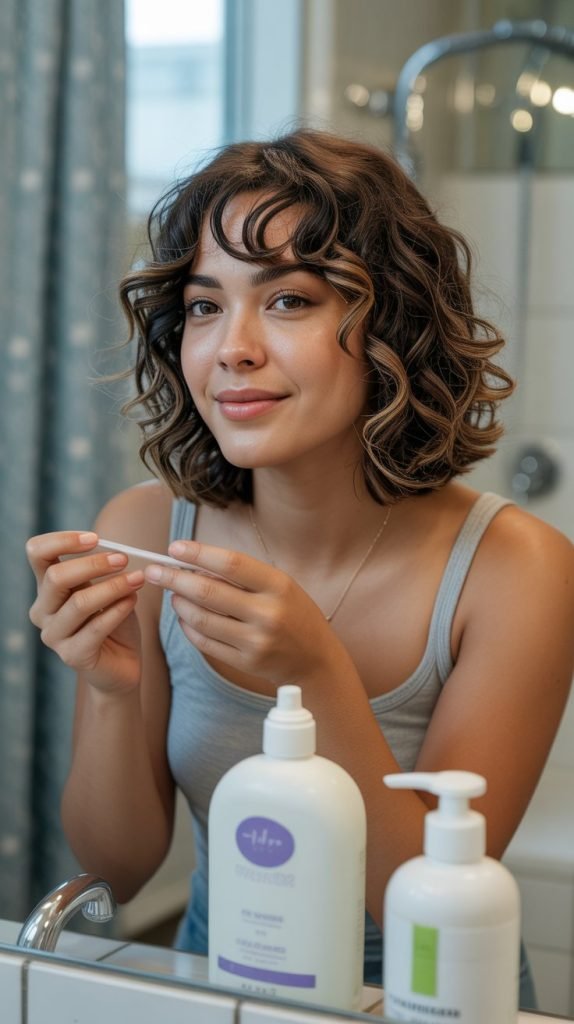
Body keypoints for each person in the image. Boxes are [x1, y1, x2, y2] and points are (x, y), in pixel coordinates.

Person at [26, 129, 574, 1008]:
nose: (232, 348)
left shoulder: (517, 572)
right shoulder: (145, 530)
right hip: (218, 988)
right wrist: (111, 691)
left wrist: (317, 674)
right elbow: (116, 870)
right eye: (204, 307)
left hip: (429, 997)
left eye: (288, 300)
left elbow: (425, 906)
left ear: (392, 324)